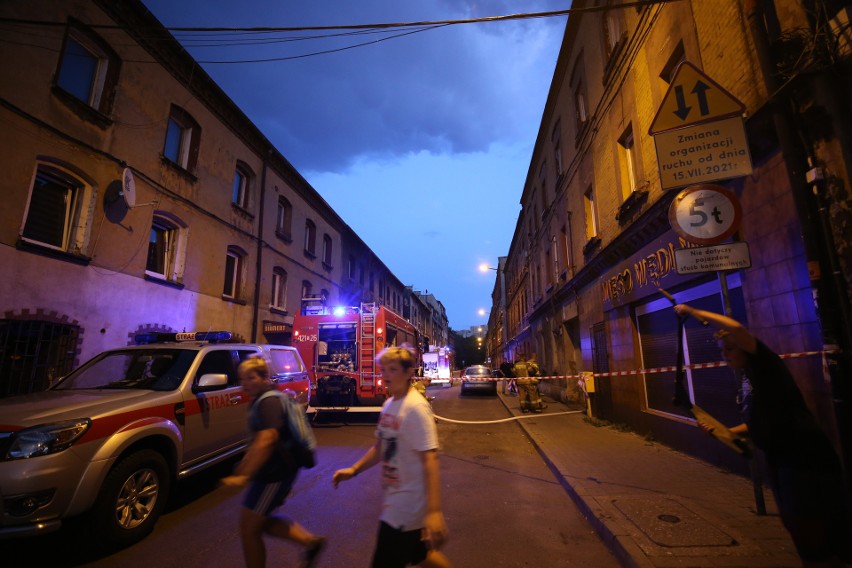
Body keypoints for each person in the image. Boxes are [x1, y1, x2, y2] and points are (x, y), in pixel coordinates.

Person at [673, 304, 852, 566]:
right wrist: (725, 433)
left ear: (745, 347)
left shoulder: (765, 365)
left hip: (806, 460)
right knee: (796, 525)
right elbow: (759, 420)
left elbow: (735, 328)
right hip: (781, 460)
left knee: (815, 529)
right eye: (723, 351)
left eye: (730, 349)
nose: (726, 355)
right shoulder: (747, 378)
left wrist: (691, 310)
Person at [332, 345, 451, 568]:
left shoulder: (416, 407)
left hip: (407, 507)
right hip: (393, 499)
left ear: (408, 373)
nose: (385, 375)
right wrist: (354, 470)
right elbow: (380, 448)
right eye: (383, 369)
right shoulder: (388, 405)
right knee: (421, 556)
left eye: (392, 369)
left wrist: (434, 511)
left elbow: (430, 458)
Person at [221, 357, 326, 568]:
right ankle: (310, 542)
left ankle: (309, 542)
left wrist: (243, 474)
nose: (245, 383)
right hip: (271, 472)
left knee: (249, 528)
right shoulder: (264, 399)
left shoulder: (269, 401)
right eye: (242, 379)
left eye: (251, 378)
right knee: (260, 523)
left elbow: (267, 438)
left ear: (265, 378)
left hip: (274, 475)